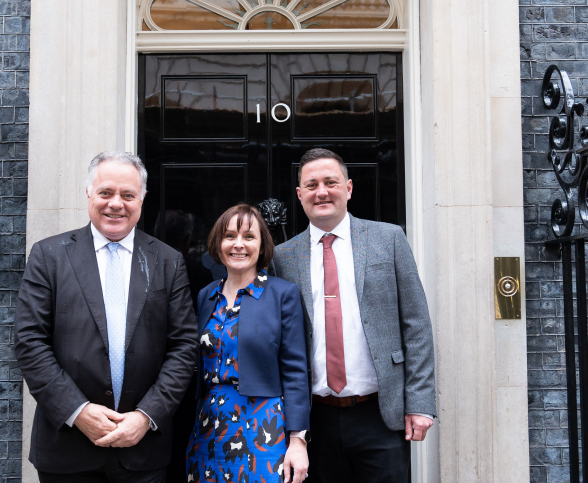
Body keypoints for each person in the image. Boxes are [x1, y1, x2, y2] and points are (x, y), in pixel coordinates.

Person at [15, 151, 198, 483]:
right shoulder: (48, 256)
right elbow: (30, 342)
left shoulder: (169, 261)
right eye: (106, 193)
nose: (117, 203)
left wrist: (146, 416)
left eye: (128, 195)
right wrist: (78, 411)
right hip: (67, 449)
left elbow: (184, 347)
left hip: (142, 451)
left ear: (142, 199)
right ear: (89, 193)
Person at [272, 148, 436, 483]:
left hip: (380, 413)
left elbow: (416, 323)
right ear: (300, 195)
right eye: (312, 184)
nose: (322, 191)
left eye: (330, 182)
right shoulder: (282, 257)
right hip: (313, 419)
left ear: (348, 188)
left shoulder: (388, 239)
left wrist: (419, 401)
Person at [186, 204, 310, 483]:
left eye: (249, 237)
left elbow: (295, 371)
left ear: (262, 245)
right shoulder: (207, 295)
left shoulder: (282, 294)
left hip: (263, 427)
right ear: (218, 245)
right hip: (208, 426)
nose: (238, 244)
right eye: (229, 236)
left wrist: (298, 440)